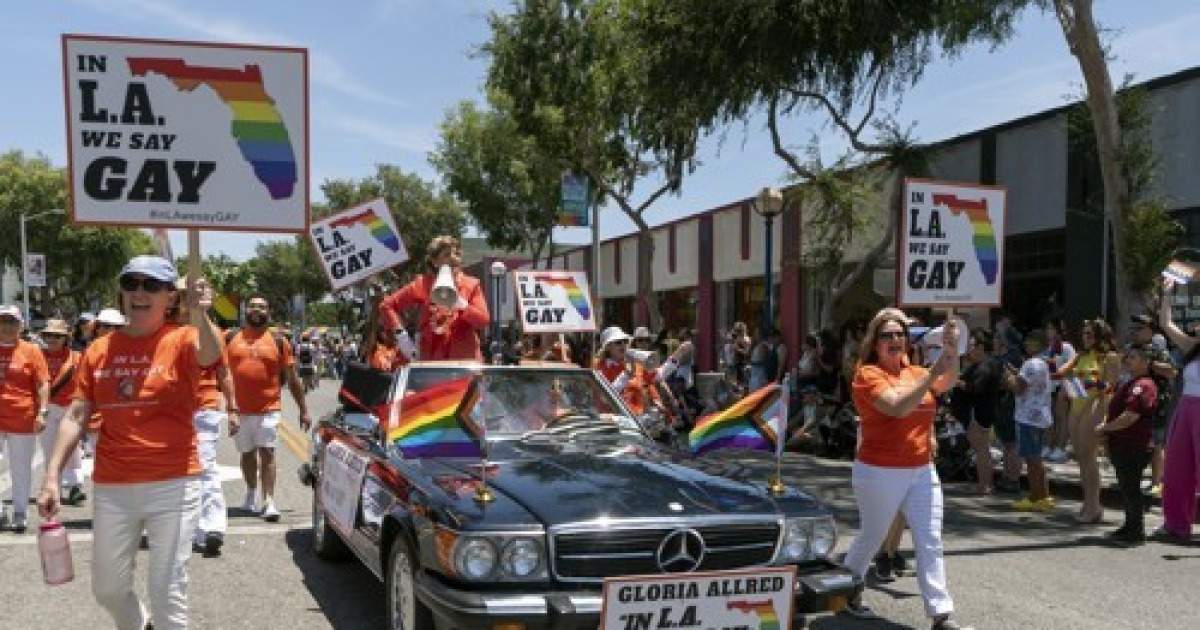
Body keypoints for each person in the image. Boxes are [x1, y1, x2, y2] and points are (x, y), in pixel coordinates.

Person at [37, 255, 223, 630]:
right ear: (121, 292)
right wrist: (52, 475)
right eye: (131, 283)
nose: (139, 292)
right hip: (113, 486)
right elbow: (75, 415)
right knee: (107, 589)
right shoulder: (99, 350)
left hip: (173, 484)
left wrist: (202, 311)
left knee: (167, 591)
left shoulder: (185, 338)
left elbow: (211, 353)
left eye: (152, 285)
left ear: (170, 298)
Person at [841, 308, 968, 630]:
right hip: (879, 469)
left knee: (929, 539)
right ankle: (845, 589)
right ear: (875, 342)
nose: (896, 339)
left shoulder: (914, 371)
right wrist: (932, 371)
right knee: (873, 535)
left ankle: (941, 614)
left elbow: (948, 380)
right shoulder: (867, 375)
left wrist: (951, 352)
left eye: (901, 334)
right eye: (887, 335)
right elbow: (897, 407)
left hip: (922, 469)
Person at [225, 295, 312, 523]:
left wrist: (303, 409)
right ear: (246, 310)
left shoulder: (279, 341)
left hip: (269, 408)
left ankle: (269, 501)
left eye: (261, 307)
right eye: (252, 306)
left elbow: (292, 380)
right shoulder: (230, 337)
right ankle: (251, 493)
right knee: (246, 454)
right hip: (239, 409)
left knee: (267, 452)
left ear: (268, 311)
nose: (256, 310)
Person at [171, 279, 238, 558]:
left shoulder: (211, 331)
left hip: (205, 407)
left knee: (206, 467)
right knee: (177, 472)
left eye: (194, 295)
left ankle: (213, 528)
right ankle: (184, 527)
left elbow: (223, 372)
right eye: (184, 295)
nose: (189, 300)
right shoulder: (165, 328)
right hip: (171, 409)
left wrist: (232, 408)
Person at [378, 235, 490, 361]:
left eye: (457, 254)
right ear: (434, 261)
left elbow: (483, 320)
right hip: (432, 364)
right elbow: (386, 306)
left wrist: (462, 305)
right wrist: (402, 338)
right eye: (447, 254)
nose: (454, 258)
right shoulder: (422, 284)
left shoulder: (471, 285)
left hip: (465, 364)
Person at [1098, 344, 1159, 545]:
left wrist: (1106, 428)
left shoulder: (1144, 385)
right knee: (1126, 487)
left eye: (1133, 358)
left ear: (1145, 361)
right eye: (1128, 357)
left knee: (1131, 488)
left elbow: (1131, 416)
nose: (1128, 361)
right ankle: (1129, 526)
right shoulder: (1130, 382)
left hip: (1133, 444)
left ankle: (1136, 532)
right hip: (1122, 444)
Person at [1155, 279, 1200, 544]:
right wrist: (1167, 292)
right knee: (1177, 469)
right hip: (1186, 408)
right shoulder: (1192, 349)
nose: (1196, 325)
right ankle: (1176, 524)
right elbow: (1165, 323)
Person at [0, 305, 51, 534]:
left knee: (21, 468)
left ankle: (20, 511)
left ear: (20, 325)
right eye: (2, 321)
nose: (6, 326)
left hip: (22, 417)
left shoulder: (31, 351)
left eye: (11, 321)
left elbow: (43, 383)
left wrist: (42, 411)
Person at [1066, 318, 1120, 523]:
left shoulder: (1110, 356)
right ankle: (1087, 503)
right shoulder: (1082, 355)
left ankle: (1094, 505)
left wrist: (1093, 384)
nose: (1085, 337)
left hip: (1097, 404)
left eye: (1090, 334)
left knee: (1089, 458)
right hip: (1078, 404)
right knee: (1080, 457)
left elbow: (1111, 386)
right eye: (1084, 333)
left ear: (1100, 336)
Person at [39, 318, 87, 507]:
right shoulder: (37, 355)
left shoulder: (76, 357)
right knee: (49, 449)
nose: (52, 339)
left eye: (57, 336)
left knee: (73, 449)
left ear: (66, 338)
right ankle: (53, 487)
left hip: (70, 408)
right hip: (46, 408)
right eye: (48, 335)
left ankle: (76, 486)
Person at [1129, 313, 1178, 499]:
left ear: (1151, 331)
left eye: (1140, 328)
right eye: (1134, 328)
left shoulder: (1158, 350)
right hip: (1135, 401)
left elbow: (1172, 371)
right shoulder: (1132, 348)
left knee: (1157, 442)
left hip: (1157, 403)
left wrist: (1150, 365)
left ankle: (1157, 482)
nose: (1135, 331)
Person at [1008, 334, 1055, 512]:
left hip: (1028, 417)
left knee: (1032, 459)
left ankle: (1036, 497)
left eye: (1030, 342)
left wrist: (1010, 380)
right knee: (1036, 459)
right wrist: (1017, 374)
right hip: (1040, 416)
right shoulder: (1042, 363)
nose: (1027, 344)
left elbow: (1019, 389)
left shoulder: (1030, 364)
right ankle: (1044, 496)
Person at [955, 329, 1003, 495]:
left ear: (981, 347)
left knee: (981, 449)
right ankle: (985, 483)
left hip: (979, 413)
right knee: (982, 449)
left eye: (972, 345)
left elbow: (976, 388)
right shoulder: (979, 365)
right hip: (978, 413)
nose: (969, 349)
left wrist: (958, 383)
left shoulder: (986, 366)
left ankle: (985, 485)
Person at [594, 326, 657, 417]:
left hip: (637, 419)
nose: (623, 345)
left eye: (625, 341)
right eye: (618, 342)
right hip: (615, 420)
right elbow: (605, 398)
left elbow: (657, 377)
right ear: (608, 347)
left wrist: (678, 355)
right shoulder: (598, 367)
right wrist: (626, 375)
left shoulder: (635, 364)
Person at [1042, 318, 1077, 463]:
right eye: (1047, 328)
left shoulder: (1066, 346)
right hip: (1049, 387)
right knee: (1049, 418)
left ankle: (1060, 447)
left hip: (1062, 386)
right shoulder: (1046, 347)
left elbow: (1072, 367)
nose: (1048, 331)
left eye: (1051, 328)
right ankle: (1048, 445)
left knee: (1061, 417)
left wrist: (1065, 386)